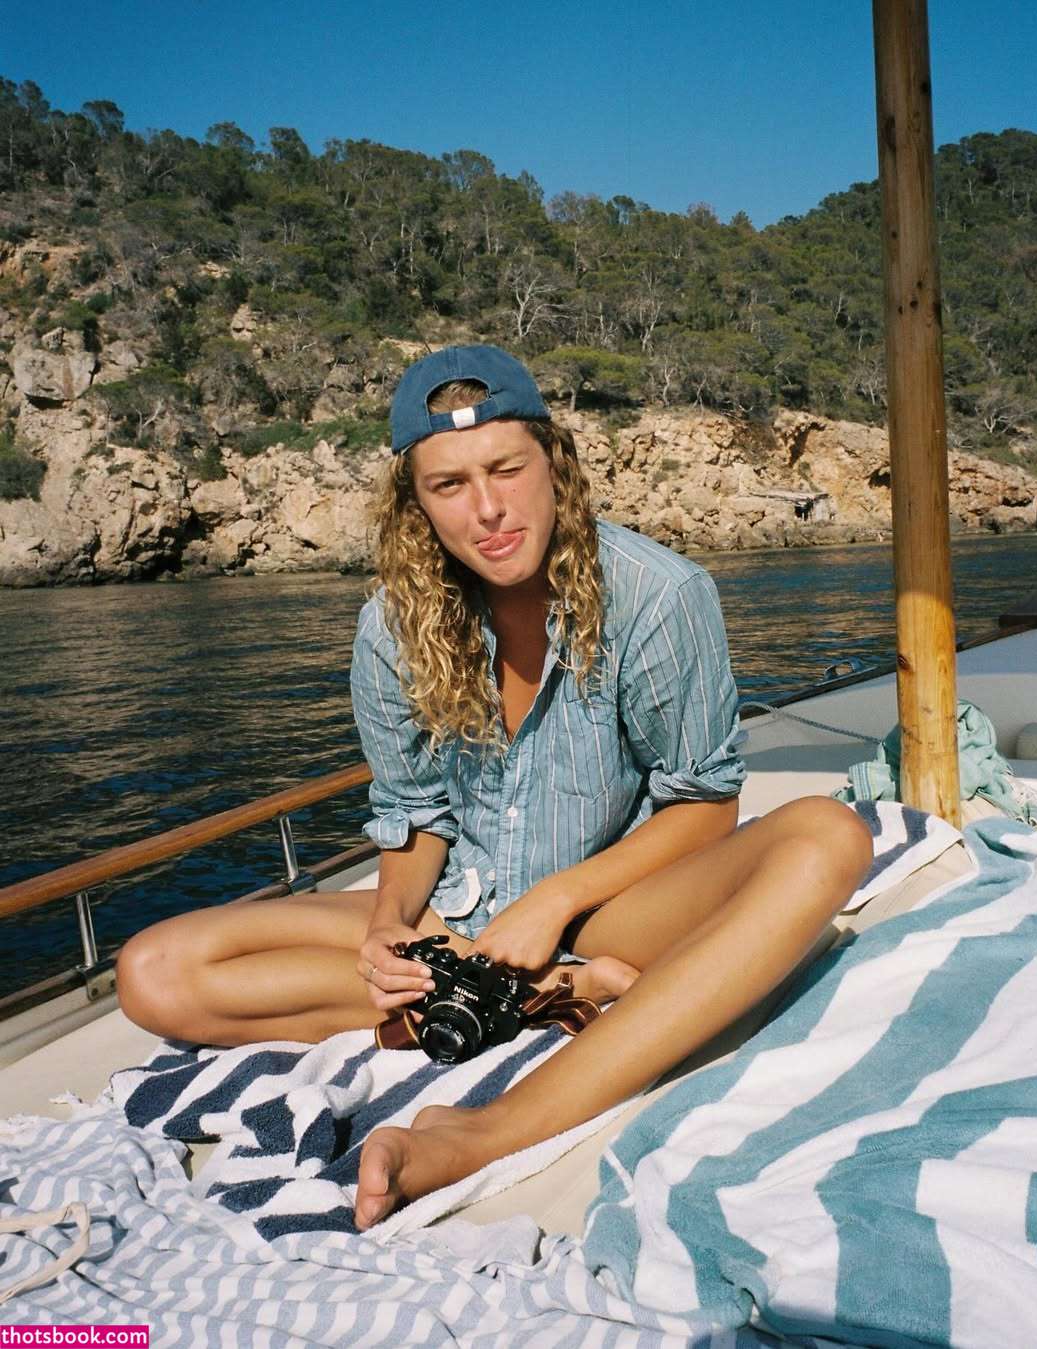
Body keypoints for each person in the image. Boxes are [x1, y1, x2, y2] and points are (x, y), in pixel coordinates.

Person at [116, 345, 872, 1231]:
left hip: (607, 904)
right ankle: (554, 995)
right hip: (456, 918)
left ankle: (488, 1128)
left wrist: (553, 902)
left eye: (506, 469)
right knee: (153, 972)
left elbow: (705, 803)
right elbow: (415, 816)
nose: (487, 509)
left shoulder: (659, 597)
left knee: (828, 835)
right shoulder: (391, 628)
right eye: (449, 485)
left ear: (554, 462)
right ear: (416, 503)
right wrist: (390, 921)